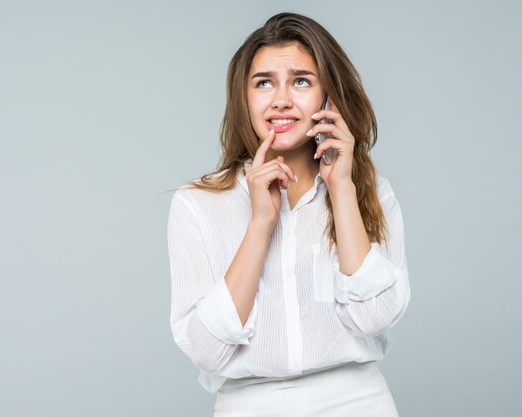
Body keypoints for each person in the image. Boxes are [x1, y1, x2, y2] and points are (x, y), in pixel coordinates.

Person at [166, 12, 410, 417]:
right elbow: (206, 350)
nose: (281, 99)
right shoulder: (198, 204)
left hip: (359, 404)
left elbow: (375, 317)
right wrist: (261, 222)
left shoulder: (371, 192)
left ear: (329, 96)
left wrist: (341, 188)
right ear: (244, 99)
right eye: (264, 83)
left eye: (301, 81)